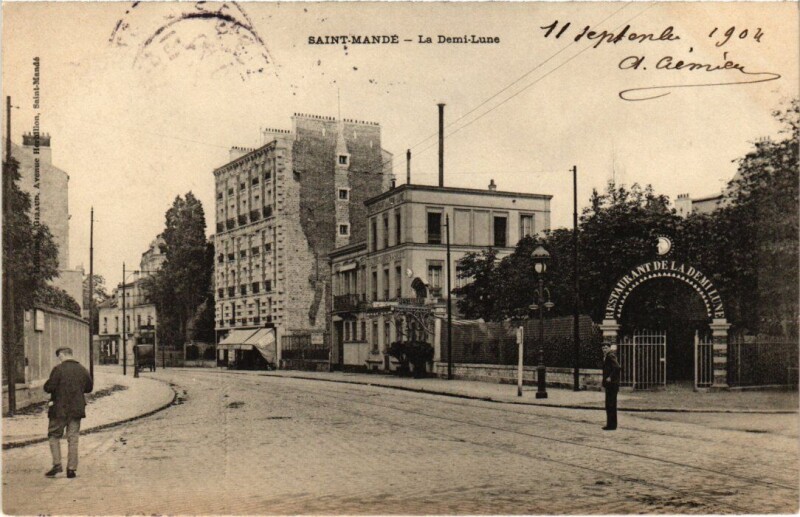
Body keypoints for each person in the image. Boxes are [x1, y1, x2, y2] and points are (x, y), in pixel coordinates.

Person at [43, 347, 93, 478]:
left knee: (53, 435)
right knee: (73, 438)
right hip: (76, 409)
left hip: (59, 410)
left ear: (62, 355)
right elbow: (89, 388)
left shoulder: (58, 370)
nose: (59, 359)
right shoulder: (83, 369)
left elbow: (49, 388)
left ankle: (57, 464)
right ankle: (71, 469)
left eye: (59, 356)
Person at [601, 343, 621, 431]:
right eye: (603, 348)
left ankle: (611, 425)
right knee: (609, 404)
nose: (604, 349)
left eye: (606, 348)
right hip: (610, 384)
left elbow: (617, 367)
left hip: (612, 384)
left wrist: (610, 377)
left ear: (609, 348)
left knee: (611, 404)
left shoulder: (610, 355)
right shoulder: (607, 356)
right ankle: (610, 424)